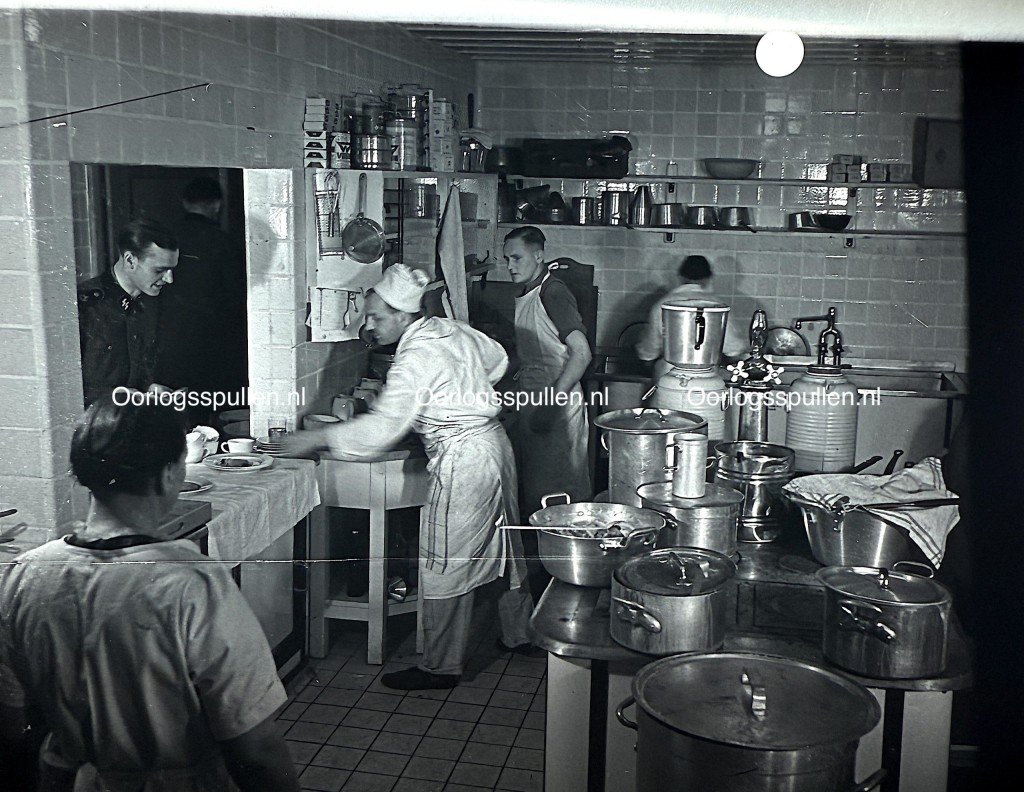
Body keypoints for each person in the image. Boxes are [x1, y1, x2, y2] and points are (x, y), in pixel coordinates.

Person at [0, 396, 299, 792]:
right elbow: (255, 747)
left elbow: (9, 722)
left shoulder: (25, 574)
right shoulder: (191, 582)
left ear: (82, 472)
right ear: (169, 475)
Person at [282, 264, 537, 691]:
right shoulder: (447, 329)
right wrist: (462, 391)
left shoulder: (414, 357)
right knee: (507, 545)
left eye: (377, 317)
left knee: (444, 558)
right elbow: (497, 358)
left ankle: (440, 667)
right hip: (494, 444)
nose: (368, 326)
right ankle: (520, 634)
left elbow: (383, 430)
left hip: (463, 456)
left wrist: (316, 438)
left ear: (403, 316)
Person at [503, 226, 593, 517]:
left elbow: (582, 353)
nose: (510, 265)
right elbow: (533, 352)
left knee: (562, 495)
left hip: (557, 406)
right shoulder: (528, 292)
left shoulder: (553, 293)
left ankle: (568, 558)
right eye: (507, 259)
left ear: (539, 255)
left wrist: (550, 405)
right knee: (540, 496)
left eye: (516, 258)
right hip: (535, 403)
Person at [157, 177, 248, 404]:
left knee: (174, 406)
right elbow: (236, 297)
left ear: (185, 202)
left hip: (168, 340)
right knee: (211, 405)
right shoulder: (222, 242)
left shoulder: (165, 238)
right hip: (212, 341)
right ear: (217, 205)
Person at [77, 218, 179, 407]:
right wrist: (118, 396)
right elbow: (65, 387)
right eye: (160, 270)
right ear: (130, 260)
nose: (169, 279)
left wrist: (148, 389)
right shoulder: (85, 305)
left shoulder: (154, 304)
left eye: (172, 270)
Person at [635, 255, 751, 378]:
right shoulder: (717, 307)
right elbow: (734, 349)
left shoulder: (662, 304)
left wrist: (648, 360)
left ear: (680, 276)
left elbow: (648, 351)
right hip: (707, 379)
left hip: (669, 377)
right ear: (708, 278)